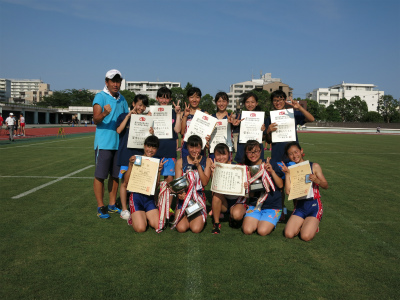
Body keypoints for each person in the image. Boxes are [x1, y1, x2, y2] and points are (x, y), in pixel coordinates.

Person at [265, 90, 315, 221]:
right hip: (277, 156)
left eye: (281, 99)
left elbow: (311, 119)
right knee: (279, 187)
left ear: (284, 100)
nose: (278, 102)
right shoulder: (270, 116)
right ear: (272, 102)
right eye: (275, 100)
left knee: (296, 186)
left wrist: (300, 108)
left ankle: (297, 212)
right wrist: (268, 131)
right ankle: (280, 211)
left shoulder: (292, 113)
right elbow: (269, 140)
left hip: (292, 156)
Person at [92, 69, 129, 219]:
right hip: (104, 143)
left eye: (118, 81)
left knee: (115, 176)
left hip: (118, 144)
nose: (115, 84)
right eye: (112, 81)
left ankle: (112, 204)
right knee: (100, 176)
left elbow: (128, 118)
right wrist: (104, 113)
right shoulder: (100, 97)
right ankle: (101, 206)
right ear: (106, 82)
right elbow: (95, 119)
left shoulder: (122, 99)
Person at [280, 142, 328, 241]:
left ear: (301, 151)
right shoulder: (291, 170)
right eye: (291, 154)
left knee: (305, 236)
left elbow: (325, 185)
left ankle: (313, 224)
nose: (294, 155)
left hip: (313, 205)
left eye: (296, 152)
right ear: (288, 156)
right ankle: (306, 223)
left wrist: (317, 180)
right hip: (300, 207)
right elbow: (288, 192)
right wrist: (287, 174)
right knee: (288, 234)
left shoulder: (314, 166)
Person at [116, 94, 152, 220]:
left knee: (137, 183)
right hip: (125, 154)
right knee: (124, 183)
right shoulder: (123, 116)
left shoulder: (145, 119)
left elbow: (149, 140)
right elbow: (119, 130)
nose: (141, 108)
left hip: (139, 155)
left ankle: (136, 206)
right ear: (133, 104)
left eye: (144, 106)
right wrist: (128, 116)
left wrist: (150, 130)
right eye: (139, 105)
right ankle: (124, 209)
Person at [241, 140, 284, 236]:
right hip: (255, 205)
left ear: (260, 151)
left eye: (255, 151)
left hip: (272, 206)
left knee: (262, 231)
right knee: (247, 230)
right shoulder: (246, 168)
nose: (253, 154)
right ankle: (257, 219)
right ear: (246, 153)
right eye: (250, 152)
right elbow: (251, 195)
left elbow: (281, 185)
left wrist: (272, 171)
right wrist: (247, 188)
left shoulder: (271, 162)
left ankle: (271, 219)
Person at [125, 136, 166, 232]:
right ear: (144, 146)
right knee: (141, 228)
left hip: (149, 198)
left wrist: (159, 171)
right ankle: (133, 218)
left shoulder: (156, 162)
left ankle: (142, 216)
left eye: (154, 147)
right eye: (148, 146)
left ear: (157, 149)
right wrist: (130, 165)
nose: (150, 150)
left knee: (159, 226)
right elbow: (126, 181)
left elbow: (155, 186)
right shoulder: (136, 159)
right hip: (136, 197)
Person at [173, 135, 212, 233]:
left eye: (197, 147)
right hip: (184, 198)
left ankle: (196, 215)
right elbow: (178, 184)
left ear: (201, 147)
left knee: (196, 229)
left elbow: (205, 182)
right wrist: (180, 194)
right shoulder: (180, 162)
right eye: (191, 147)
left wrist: (198, 166)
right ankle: (184, 212)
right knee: (181, 228)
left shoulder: (206, 161)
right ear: (187, 147)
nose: (194, 150)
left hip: (198, 198)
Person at [209, 143, 240, 234]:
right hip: (224, 202)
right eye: (218, 155)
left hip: (236, 201)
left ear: (229, 155)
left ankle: (231, 215)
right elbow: (214, 189)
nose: (221, 157)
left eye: (224, 154)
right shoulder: (215, 167)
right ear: (214, 156)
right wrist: (213, 173)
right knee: (216, 195)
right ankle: (216, 223)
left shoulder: (236, 166)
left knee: (237, 217)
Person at [232, 92, 266, 164]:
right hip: (243, 149)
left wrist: (263, 131)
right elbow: (234, 131)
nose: (250, 104)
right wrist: (235, 124)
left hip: (256, 150)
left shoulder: (261, 118)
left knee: (257, 172)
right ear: (244, 103)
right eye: (247, 102)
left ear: (256, 103)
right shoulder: (239, 117)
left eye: (252, 102)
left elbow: (264, 137)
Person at [180, 87, 204, 161]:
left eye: (197, 97)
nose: (194, 100)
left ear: (200, 98)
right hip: (187, 146)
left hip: (199, 146)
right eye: (191, 97)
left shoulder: (204, 114)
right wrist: (185, 116)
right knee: (185, 168)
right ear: (188, 98)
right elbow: (182, 132)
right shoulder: (183, 113)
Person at [209, 92, 233, 161]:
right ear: (216, 103)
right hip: (213, 149)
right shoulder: (211, 117)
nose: (221, 104)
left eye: (224, 101)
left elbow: (234, 120)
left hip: (227, 150)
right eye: (219, 101)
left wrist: (232, 121)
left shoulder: (231, 117)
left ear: (227, 102)